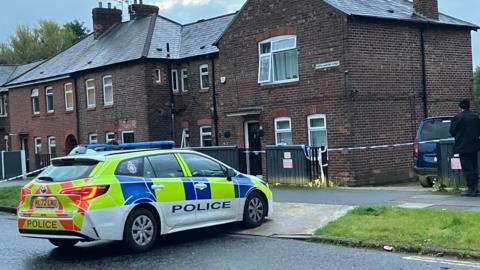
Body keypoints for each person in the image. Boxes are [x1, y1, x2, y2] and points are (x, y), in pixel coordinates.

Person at [450, 99, 480, 197]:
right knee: (474, 167)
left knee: (467, 169)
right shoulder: (476, 117)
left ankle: (471, 189)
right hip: (474, 146)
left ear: (460, 106)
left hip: (463, 147)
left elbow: (452, 131)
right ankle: (475, 187)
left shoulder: (458, 118)